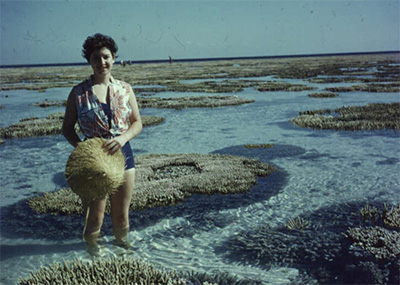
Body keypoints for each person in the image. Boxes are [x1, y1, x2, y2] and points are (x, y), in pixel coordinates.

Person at [62, 33, 142, 254]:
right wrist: (83, 150)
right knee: (94, 218)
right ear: (89, 61)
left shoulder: (125, 89)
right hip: (93, 163)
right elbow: (66, 128)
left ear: (114, 58)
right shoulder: (78, 93)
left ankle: (123, 254)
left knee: (121, 216)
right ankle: (93, 257)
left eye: (106, 56)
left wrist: (123, 138)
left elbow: (137, 123)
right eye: (95, 58)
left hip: (123, 156)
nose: (101, 62)